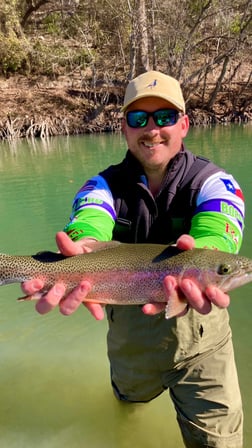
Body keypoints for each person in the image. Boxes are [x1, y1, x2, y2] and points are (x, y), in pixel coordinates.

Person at [22, 71, 245, 447]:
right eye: (139, 119)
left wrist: (205, 254)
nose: (152, 129)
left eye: (165, 117)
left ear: (185, 124)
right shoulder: (101, 186)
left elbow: (221, 226)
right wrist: (81, 246)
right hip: (129, 342)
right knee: (126, 413)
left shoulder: (214, 182)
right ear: (124, 128)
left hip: (205, 346)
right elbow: (89, 219)